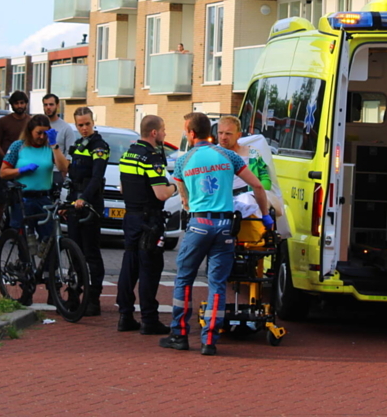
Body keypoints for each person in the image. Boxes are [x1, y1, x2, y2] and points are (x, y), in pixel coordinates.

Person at [160, 112, 269, 356]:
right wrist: (266, 216)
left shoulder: (184, 159)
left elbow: (183, 196)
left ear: (190, 132)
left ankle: (179, 334)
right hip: (225, 227)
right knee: (217, 283)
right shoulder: (228, 155)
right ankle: (210, 340)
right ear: (211, 131)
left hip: (199, 223)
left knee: (184, 279)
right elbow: (258, 186)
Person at [0, 114, 69, 305]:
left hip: (43, 197)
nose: (41, 137)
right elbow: (3, 172)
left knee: (50, 241)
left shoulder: (49, 147)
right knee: (24, 242)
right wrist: (20, 171)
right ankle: (25, 285)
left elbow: (64, 168)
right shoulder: (18, 147)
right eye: (39, 133)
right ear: (30, 131)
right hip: (23, 198)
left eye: (45, 133)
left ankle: (51, 287)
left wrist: (55, 146)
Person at [116, 114, 173, 335]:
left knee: (129, 266)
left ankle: (125, 315)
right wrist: (176, 187)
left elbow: (122, 188)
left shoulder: (128, 154)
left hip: (130, 216)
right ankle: (149, 319)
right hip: (149, 219)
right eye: (163, 130)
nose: (165, 134)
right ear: (154, 133)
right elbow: (161, 193)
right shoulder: (152, 158)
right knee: (150, 268)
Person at [65, 106, 108, 317]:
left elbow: (96, 177)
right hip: (75, 202)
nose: (84, 128)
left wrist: (84, 198)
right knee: (74, 251)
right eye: (80, 125)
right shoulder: (78, 145)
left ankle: (94, 298)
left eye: (87, 124)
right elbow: (72, 174)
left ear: (93, 122)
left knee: (90, 252)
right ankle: (74, 294)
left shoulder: (99, 146)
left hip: (89, 203)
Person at [0, 90, 29, 243]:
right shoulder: (3, 121)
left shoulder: (30, 121)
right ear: (12, 105)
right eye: (16, 103)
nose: (19, 106)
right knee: (0, 200)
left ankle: (17, 233)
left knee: (20, 202)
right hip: (5, 166)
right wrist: (6, 158)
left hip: (23, 168)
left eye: (22, 103)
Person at [216, 115, 272, 198]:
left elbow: (265, 179)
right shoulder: (212, 155)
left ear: (239, 135)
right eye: (220, 133)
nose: (223, 137)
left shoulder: (252, 154)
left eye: (228, 134)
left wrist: (252, 195)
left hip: (248, 200)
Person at [42, 93, 77, 190]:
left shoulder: (66, 128)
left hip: (56, 172)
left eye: (51, 104)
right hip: (39, 170)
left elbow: (70, 155)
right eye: (45, 105)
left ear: (57, 106)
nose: (48, 107)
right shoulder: (38, 125)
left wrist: (63, 173)